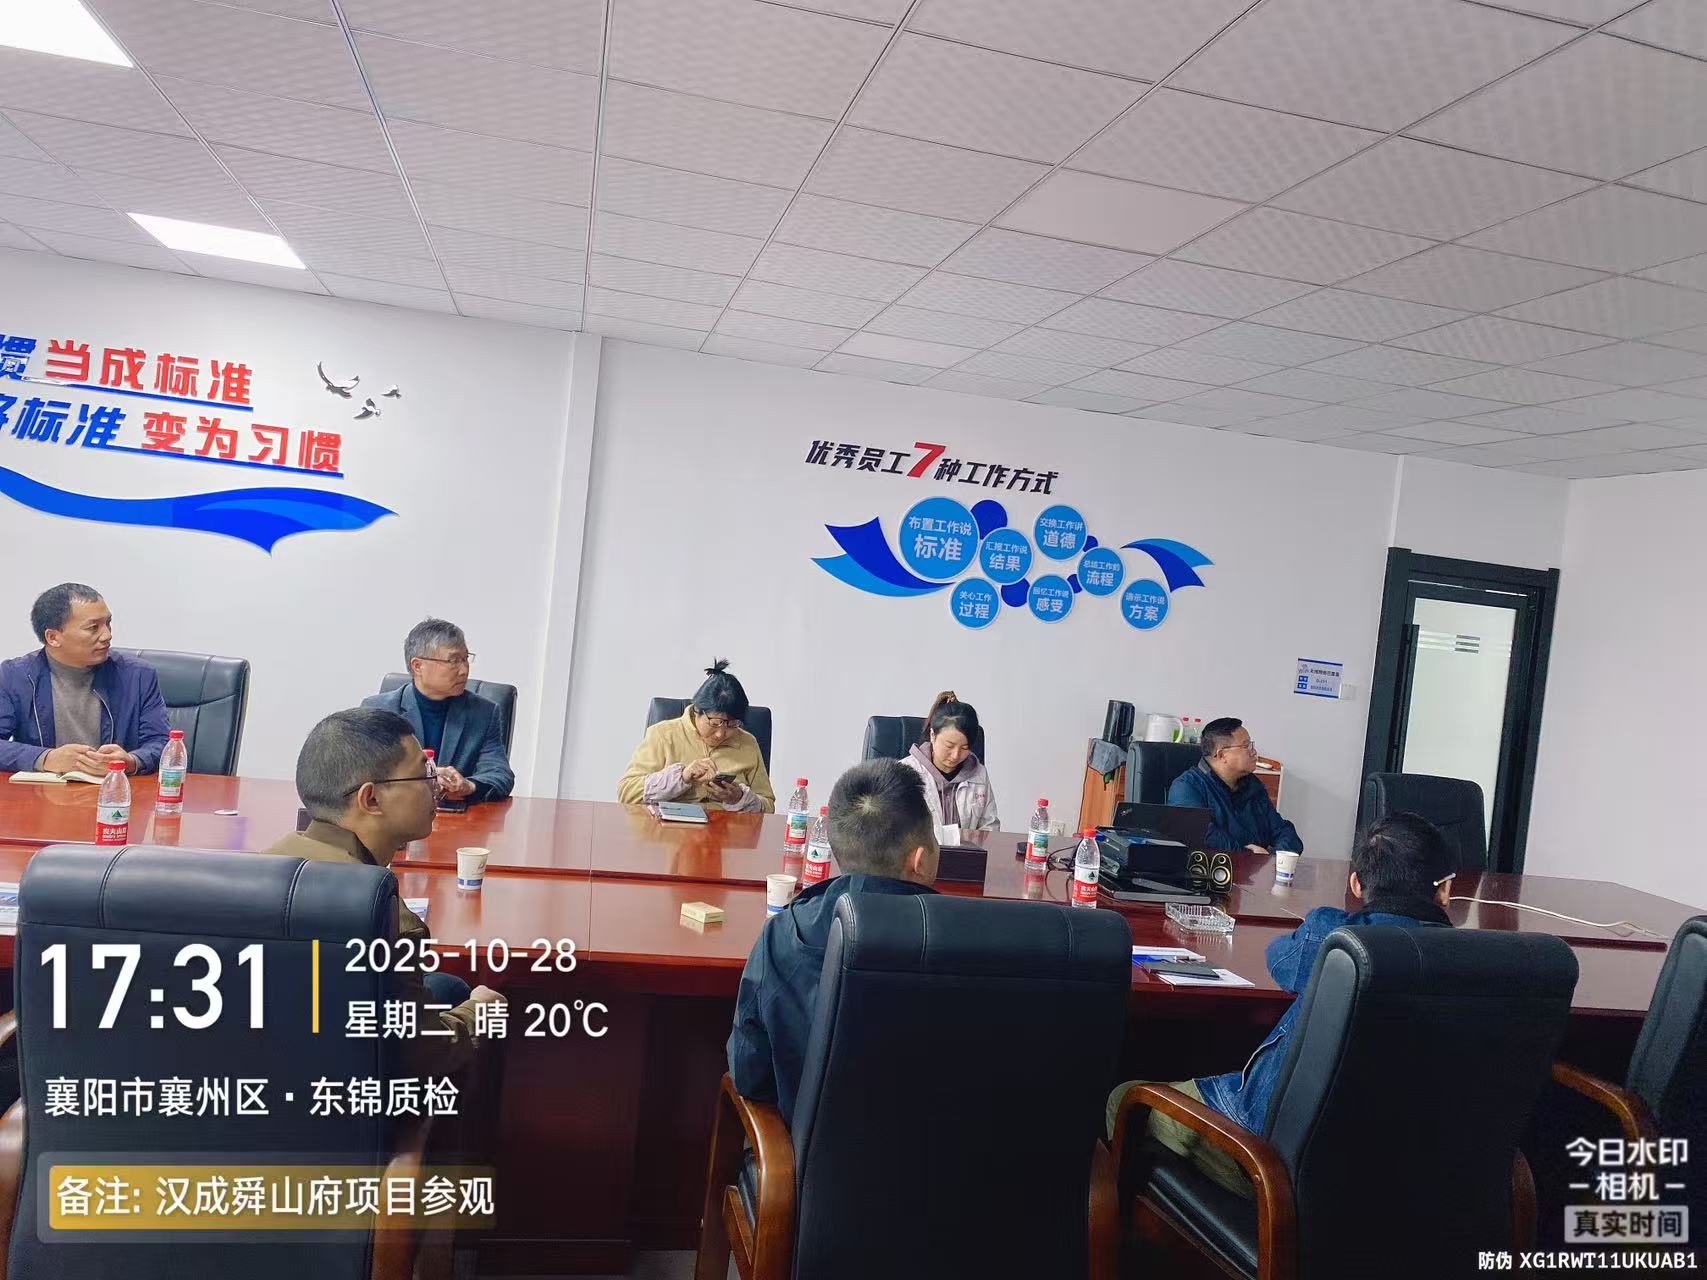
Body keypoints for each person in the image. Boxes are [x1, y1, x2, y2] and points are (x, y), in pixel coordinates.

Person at [1106, 812, 1457, 1196]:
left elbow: (1279, 961)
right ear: (1445, 890)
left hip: (1268, 1168)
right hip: (1402, 1178)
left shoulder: (1336, 941)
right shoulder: (1482, 965)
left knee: (1122, 1099)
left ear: (1356, 884)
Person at [263, 707, 503, 1076]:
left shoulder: (263, 864)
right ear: (371, 799)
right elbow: (424, 1053)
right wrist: (481, 1012)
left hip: (268, 1069)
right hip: (350, 1097)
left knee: (443, 985)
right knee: (474, 1003)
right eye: (424, 774)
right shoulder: (384, 916)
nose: (437, 785)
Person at [728, 758, 939, 1128]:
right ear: (919, 859)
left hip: (811, 1161)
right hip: (942, 1160)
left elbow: (750, 1074)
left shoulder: (785, 934)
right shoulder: (965, 938)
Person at [0, 583, 169, 776]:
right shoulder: (14, 676)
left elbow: (161, 742)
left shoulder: (137, 675)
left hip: (115, 788)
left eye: (108, 623)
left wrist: (132, 761)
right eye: (93, 628)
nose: (107, 635)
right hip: (45, 790)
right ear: (53, 637)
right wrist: (46, 758)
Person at [362, 617, 514, 805]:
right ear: (418, 666)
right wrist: (423, 779)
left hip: (457, 818)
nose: (464, 670)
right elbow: (361, 773)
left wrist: (469, 786)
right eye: (453, 660)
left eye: (465, 659)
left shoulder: (484, 713)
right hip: (398, 816)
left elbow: (500, 775)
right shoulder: (378, 711)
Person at [618, 659, 775, 812]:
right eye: (715, 723)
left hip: (726, 827)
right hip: (670, 826)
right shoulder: (663, 735)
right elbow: (627, 793)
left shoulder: (748, 743)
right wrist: (682, 777)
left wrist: (739, 798)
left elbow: (768, 807)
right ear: (697, 710)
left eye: (732, 724)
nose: (720, 734)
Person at [1168, 717, 1301, 854]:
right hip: (1213, 866)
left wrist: (1275, 858)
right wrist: (1250, 856)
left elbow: (1284, 831)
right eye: (1246, 746)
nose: (1254, 752)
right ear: (1222, 755)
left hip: (1260, 865)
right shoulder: (1187, 788)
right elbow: (1205, 838)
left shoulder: (1252, 784)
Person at [897, 690, 999, 832]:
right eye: (949, 746)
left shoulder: (979, 774)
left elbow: (990, 826)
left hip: (967, 847)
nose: (956, 755)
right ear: (932, 735)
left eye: (964, 748)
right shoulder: (904, 773)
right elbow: (894, 830)